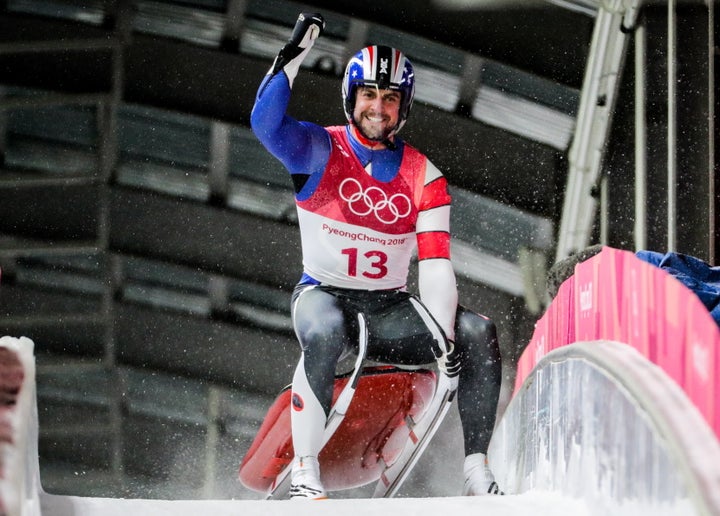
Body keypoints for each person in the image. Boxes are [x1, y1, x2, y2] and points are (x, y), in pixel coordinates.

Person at [250, 12, 503, 499]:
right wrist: (294, 55)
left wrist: (446, 337)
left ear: (402, 107)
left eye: (390, 98)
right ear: (352, 97)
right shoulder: (317, 148)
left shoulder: (423, 175)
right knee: (324, 331)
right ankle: (306, 472)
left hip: (388, 307)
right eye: (369, 95)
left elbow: (434, 263)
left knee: (478, 332)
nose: (378, 108)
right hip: (323, 296)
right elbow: (264, 123)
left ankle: (477, 470)